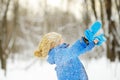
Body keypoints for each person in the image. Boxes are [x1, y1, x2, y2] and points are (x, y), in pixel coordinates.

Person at [34, 21, 106, 80]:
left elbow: (78, 51)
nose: (63, 39)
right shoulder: (59, 54)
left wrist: (92, 42)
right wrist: (85, 39)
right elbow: (74, 50)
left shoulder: (61, 53)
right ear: (54, 44)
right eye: (60, 39)